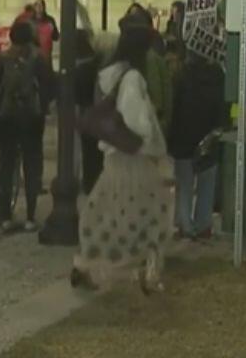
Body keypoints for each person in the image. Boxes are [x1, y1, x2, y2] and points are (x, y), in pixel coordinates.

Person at [72, 26, 172, 294]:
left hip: (114, 155)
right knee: (152, 216)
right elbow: (137, 121)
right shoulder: (133, 78)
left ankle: (86, 262)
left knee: (106, 212)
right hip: (134, 157)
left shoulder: (110, 74)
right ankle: (147, 270)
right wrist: (150, 126)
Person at [0, 20, 55, 231]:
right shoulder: (39, 59)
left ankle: (5, 216)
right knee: (32, 165)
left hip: (7, 117)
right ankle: (30, 216)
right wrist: (44, 107)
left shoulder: (2, 59)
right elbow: (48, 87)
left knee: (6, 165)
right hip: (32, 118)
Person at [169, 51, 225, 240]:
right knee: (207, 183)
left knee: (184, 184)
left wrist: (170, 137)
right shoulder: (218, 75)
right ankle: (204, 225)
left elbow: (174, 107)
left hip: (183, 137)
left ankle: (185, 225)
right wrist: (223, 127)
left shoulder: (180, 75)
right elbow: (226, 105)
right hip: (210, 136)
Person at [74, 30, 104, 194]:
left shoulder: (80, 68)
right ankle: (93, 182)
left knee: (87, 151)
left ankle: (88, 183)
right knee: (94, 152)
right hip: (96, 112)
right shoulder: (97, 65)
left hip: (85, 111)